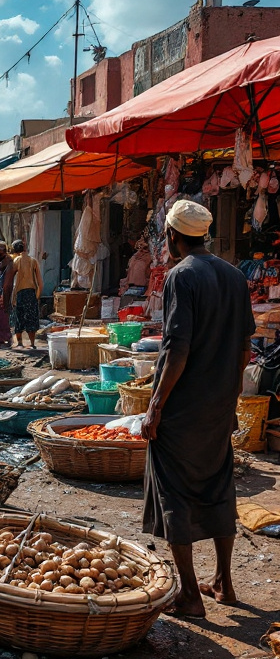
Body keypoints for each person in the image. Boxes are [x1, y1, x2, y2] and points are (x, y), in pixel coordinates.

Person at [141, 200, 254, 619]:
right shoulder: (234, 276)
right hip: (218, 405)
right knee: (218, 485)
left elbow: (176, 348)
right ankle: (224, 581)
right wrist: (230, 397)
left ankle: (190, 595)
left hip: (183, 408)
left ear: (172, 236)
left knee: (174, 492)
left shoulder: (180, 277)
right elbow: (245, 348)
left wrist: (155, 408)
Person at [9, 239, 42, 348]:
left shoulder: (16, 261)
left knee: (19, 319)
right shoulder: (33, 261)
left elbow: (11, 278)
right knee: (31, 319)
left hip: (20, 294)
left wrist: (11, 296)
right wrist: (37, 296)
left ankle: (19, 343)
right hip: (31, 293)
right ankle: (32, 344)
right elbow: (40, 283)